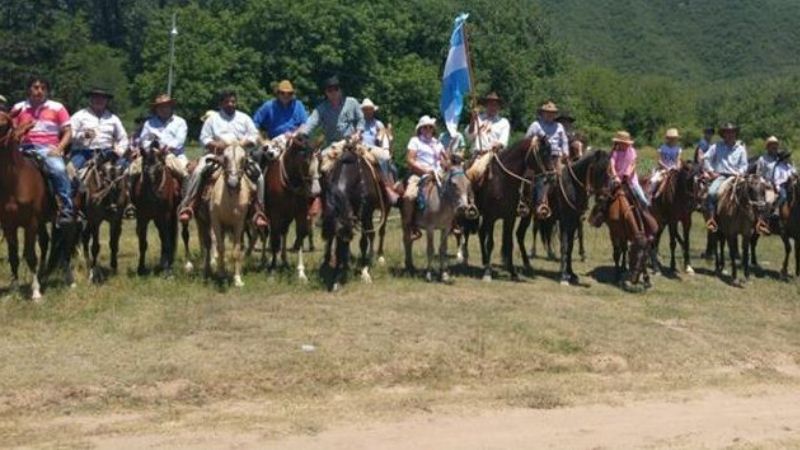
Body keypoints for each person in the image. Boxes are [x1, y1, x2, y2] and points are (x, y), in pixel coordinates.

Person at [177, 90, 267, 228]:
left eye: (233, 101)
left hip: (239, 156)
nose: (230, 104)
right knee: (198, 172)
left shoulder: (244, 118)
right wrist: (217, 144)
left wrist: (241, 144)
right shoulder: (212, 120)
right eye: (227, 102)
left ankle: (259, 211)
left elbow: (254, 136)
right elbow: (204, 138)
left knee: (259, 176)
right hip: (216, 155)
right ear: (220, 104)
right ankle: (190, 205)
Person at [11, 76, 74, 224]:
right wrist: (21, 130)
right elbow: (11, 132)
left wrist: (59, 149)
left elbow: (68, 132)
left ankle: (66, 208)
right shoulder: (18, 108)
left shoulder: (57, 107)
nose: (39, 91)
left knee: (58, 169)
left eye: (43, 88)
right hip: (22, 148)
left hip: (47, 148)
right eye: (35, 87)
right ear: (28, 90)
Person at [298, 76, 363, 194]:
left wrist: (358, 132)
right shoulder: (321, 108)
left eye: (336, 89)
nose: (333, 92)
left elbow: (360, 119)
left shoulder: (352, 102)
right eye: (329, 90)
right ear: (326, 92)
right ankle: (318, 195)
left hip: (352, 142)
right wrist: (301, 135)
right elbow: (311, 123)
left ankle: (386, 189)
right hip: (332, 146)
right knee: (316, 164)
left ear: (340, 90)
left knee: (379, 158)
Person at [129, 94, 189, 189]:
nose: (164, 109)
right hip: (151, 156)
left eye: (166, 106)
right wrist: (152, 149)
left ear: (171, 107)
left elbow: (179, 141)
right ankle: (130, 198)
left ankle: (185, 198)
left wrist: (166, 148)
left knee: (184, 173)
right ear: (156, 109)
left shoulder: (180, 122)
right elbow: (144, 140)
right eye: (160, 107)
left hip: (173, 155)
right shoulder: (149, 123)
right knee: (131, 170)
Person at [402, 115, 447, 240]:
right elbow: (410, 160)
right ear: (420, 129)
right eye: (425, 127)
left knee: (456, 188)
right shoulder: (415, 141)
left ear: (433, 129)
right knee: (409, 196)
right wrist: (425, 170)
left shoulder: (438, 143)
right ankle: (410, 225)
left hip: (438, 173)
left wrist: (446, 162)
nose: (428, 129)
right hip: (419, 173)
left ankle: (454, 222)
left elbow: (444, 159)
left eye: (430, 127)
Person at [69, 87, 129, 179]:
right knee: (70, 173)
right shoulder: (79, 116)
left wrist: (120, 151)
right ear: (90, 99)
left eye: (102, 98)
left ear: (107, 101)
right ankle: (68, 193)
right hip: (83, 152)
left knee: (126, 168)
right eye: (96, 97)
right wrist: (83, 135)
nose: (99, 100)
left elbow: (123, 138)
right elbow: (69, 134)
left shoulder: (113, 118)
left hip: (106, 152)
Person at [525, 101, 569, 217]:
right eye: (547, 113)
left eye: (552, 113)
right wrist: (534, 141)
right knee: (542, 178)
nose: (550, 115)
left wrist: (566, 152)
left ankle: (566, 202)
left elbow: (564, 141)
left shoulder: (559, 126)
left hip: (556, 156)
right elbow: (526, 139)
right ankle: (541, 202)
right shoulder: (536, 125)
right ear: (542, 113)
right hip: (540, 157)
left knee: (563, 176)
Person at [702, 122, 748, 231]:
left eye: (732, 132)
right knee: (712, 193)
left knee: (752, 193)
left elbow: (744, 165)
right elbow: (706, 158)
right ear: (723, 134)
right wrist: (711, 171)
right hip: (721, 176)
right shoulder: (716, 146)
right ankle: (712, 219)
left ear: (735, 134)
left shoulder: (740, 148)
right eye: (727, 132)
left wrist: (740, 173)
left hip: (737, 176)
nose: (730, 134)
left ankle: (756, 220)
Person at [359, 98, 399, 204]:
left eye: (369, 109)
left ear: (373, 110)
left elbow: (383, 140)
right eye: (365, 109)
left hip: (373, 149)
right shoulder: (358, 123)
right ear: (362, 111)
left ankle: (388, 186)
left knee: (388, 162)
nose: (367, 111)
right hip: (360, 147)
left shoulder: (378, 124)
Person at [465, 91, 510, 182]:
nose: (492, 107)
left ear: (499, 107)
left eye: (495, 105)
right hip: (477, 155)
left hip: (494, 156)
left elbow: (503, 142)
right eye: (490, 104)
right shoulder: (478, 118)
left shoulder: (503, 122)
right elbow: (469, 136)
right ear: (486, 105)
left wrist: (495, 146)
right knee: (468, 175)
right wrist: (472, 120)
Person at [756, 136, 796, 216]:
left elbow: (790, 167)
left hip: (785, 184)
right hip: (768, 185)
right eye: (772, 145)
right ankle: (768, 217)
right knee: (769, 201)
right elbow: (758, 175)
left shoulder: (781, 157)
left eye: (776, 145)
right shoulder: (762, 159)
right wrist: (765, 183)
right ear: (768, 147)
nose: (774, 147)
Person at [648, 128, 683, 198]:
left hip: (674, 169)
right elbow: (659, 161)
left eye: (674, 138)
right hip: (663, 169)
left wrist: (677, 167)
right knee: (654, 181)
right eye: (671, 138)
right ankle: (650, 196)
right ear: (668, 138)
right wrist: (666, 168)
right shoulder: (662, 148)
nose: (673, 140)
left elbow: (678, 160)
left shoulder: (678, 149)